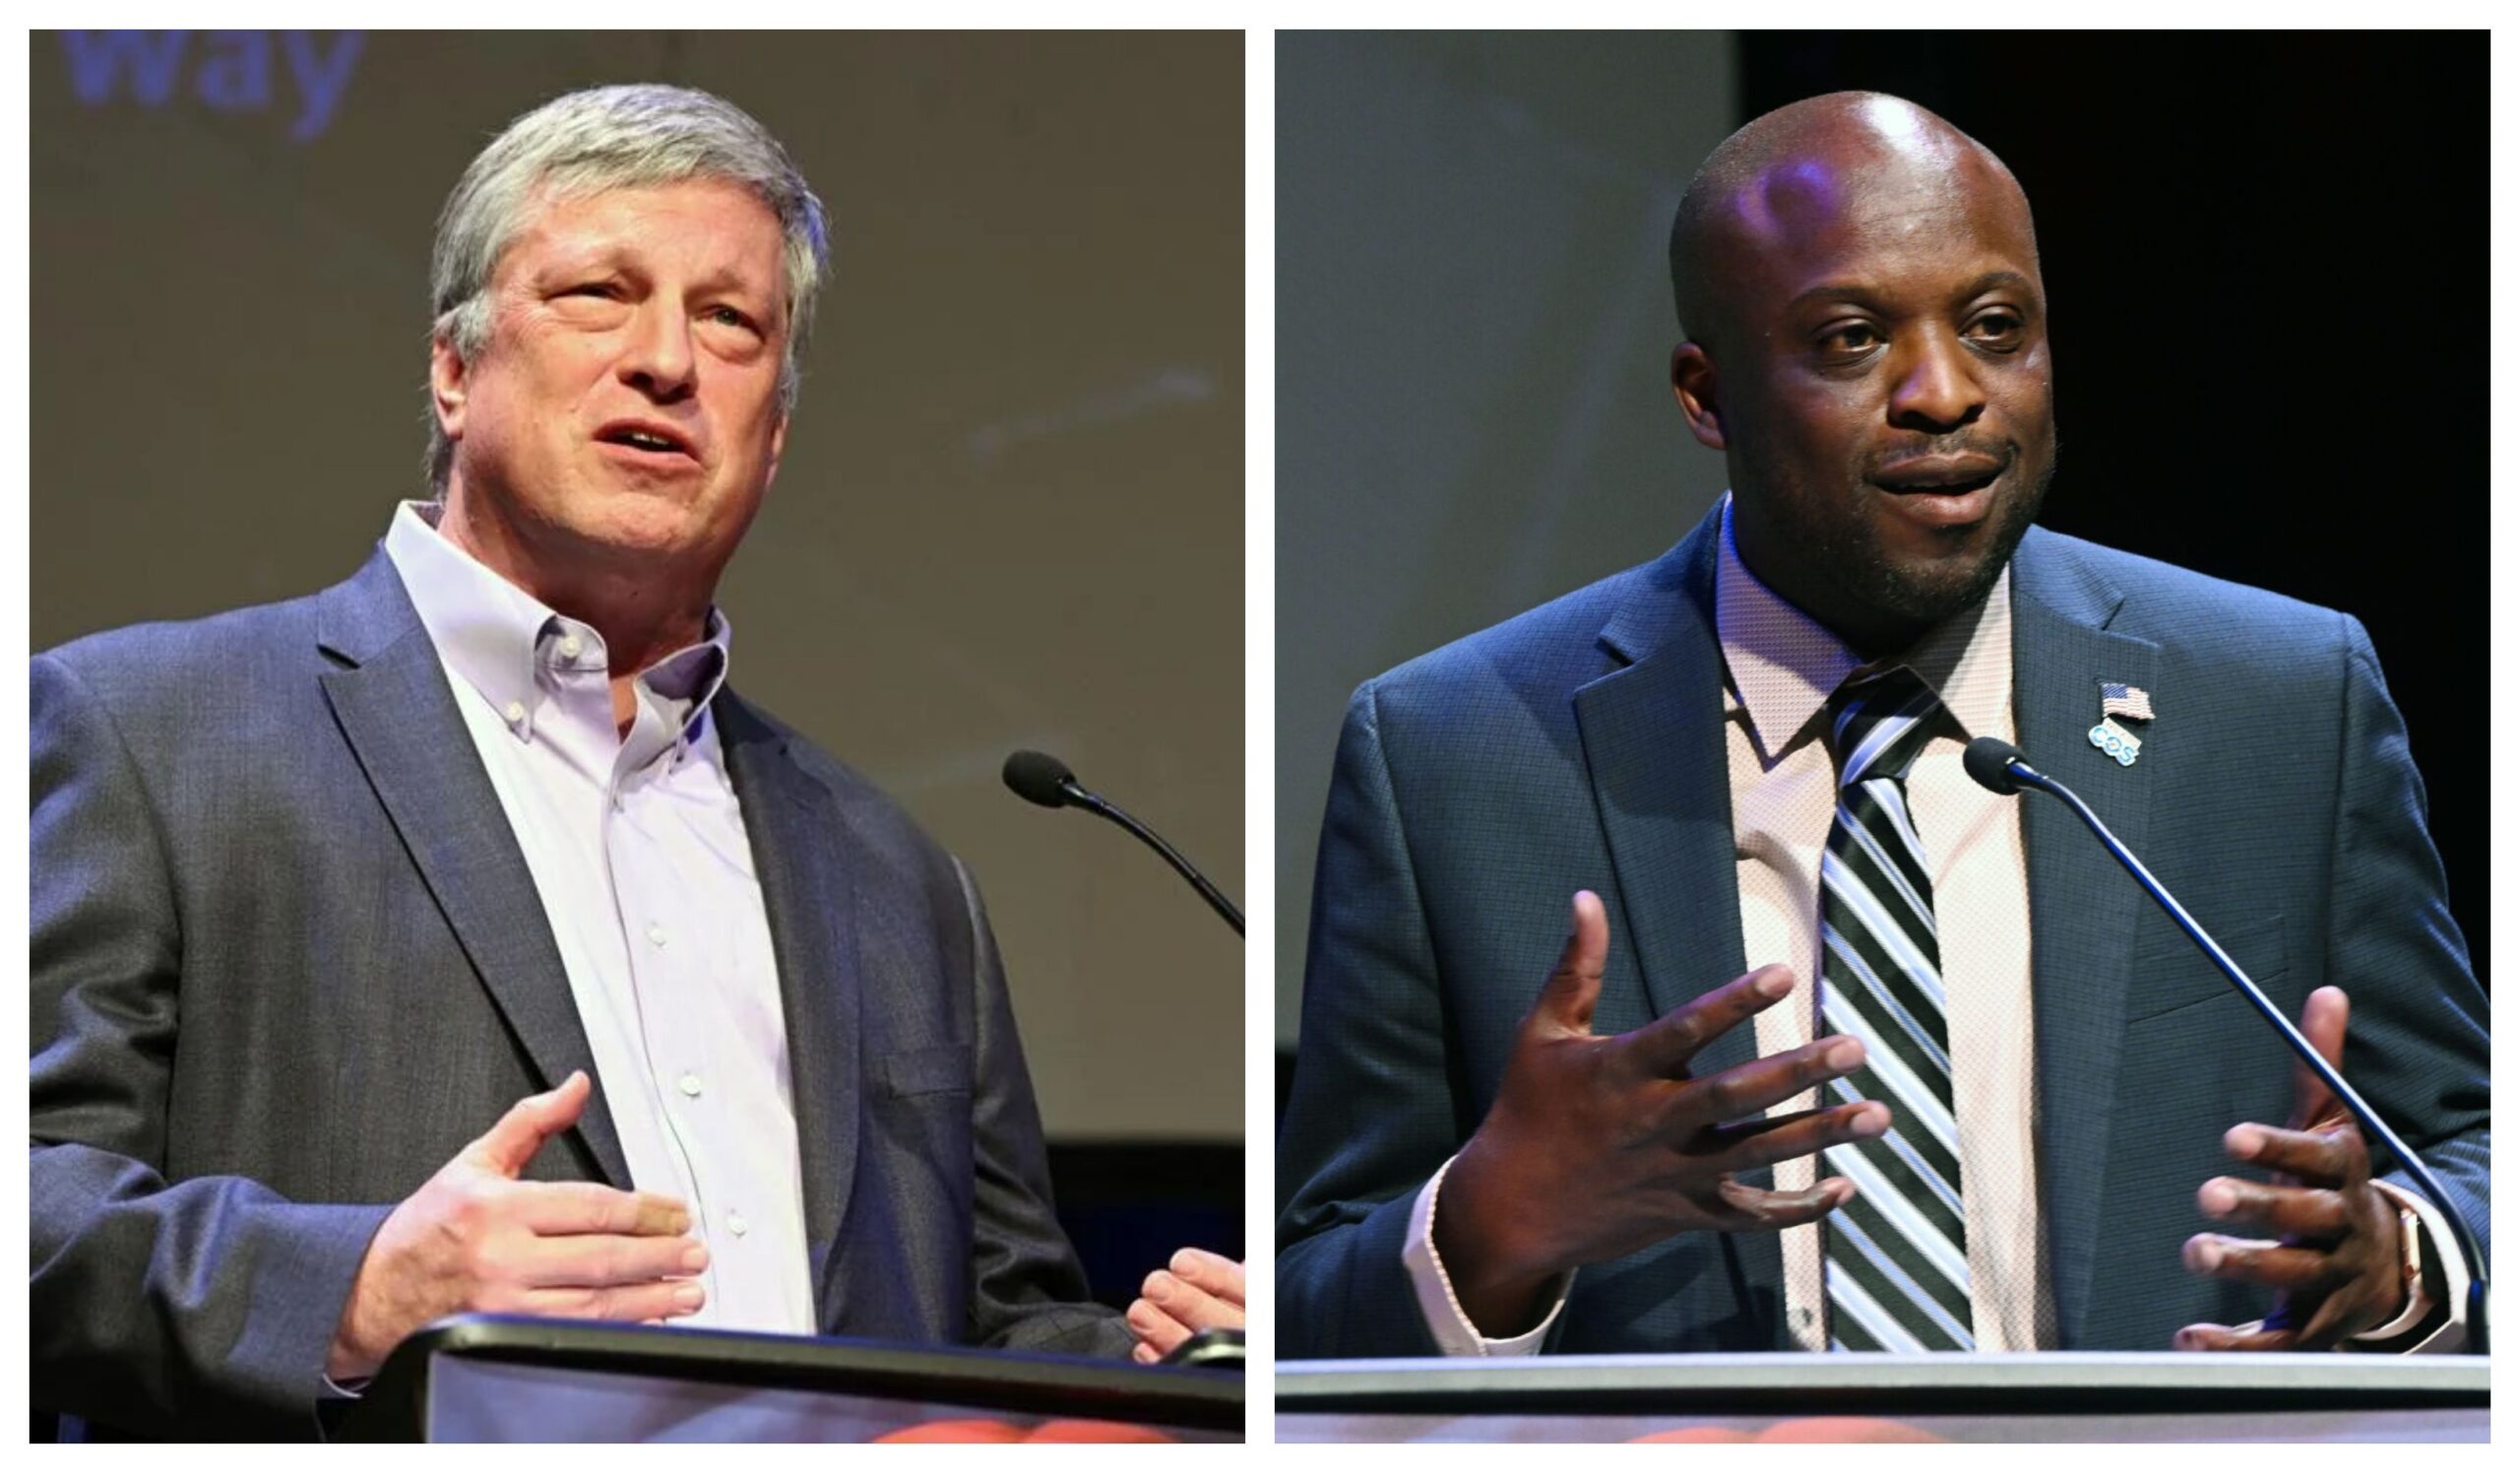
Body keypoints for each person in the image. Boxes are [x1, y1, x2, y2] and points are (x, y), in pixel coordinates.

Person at [31, 84, 1237, 1440]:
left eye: (730, 321)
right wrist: (353, 1288)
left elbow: (998, 1326)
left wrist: (1172, 1381)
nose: (668, 360)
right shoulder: (147, 732)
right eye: (599, 293)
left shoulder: (898, 878)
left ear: (773, 436)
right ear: (452, 367)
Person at [1276, 92, 2487, 1359]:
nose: (1945, 393)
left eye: (1995, 327)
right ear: (1706, 393)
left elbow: (2474, 1148)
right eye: (1852, 340)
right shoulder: (1452, 751)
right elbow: (1307, 1292)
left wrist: (2401, 1254)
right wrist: (1487, 1227)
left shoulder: (2277, 697)